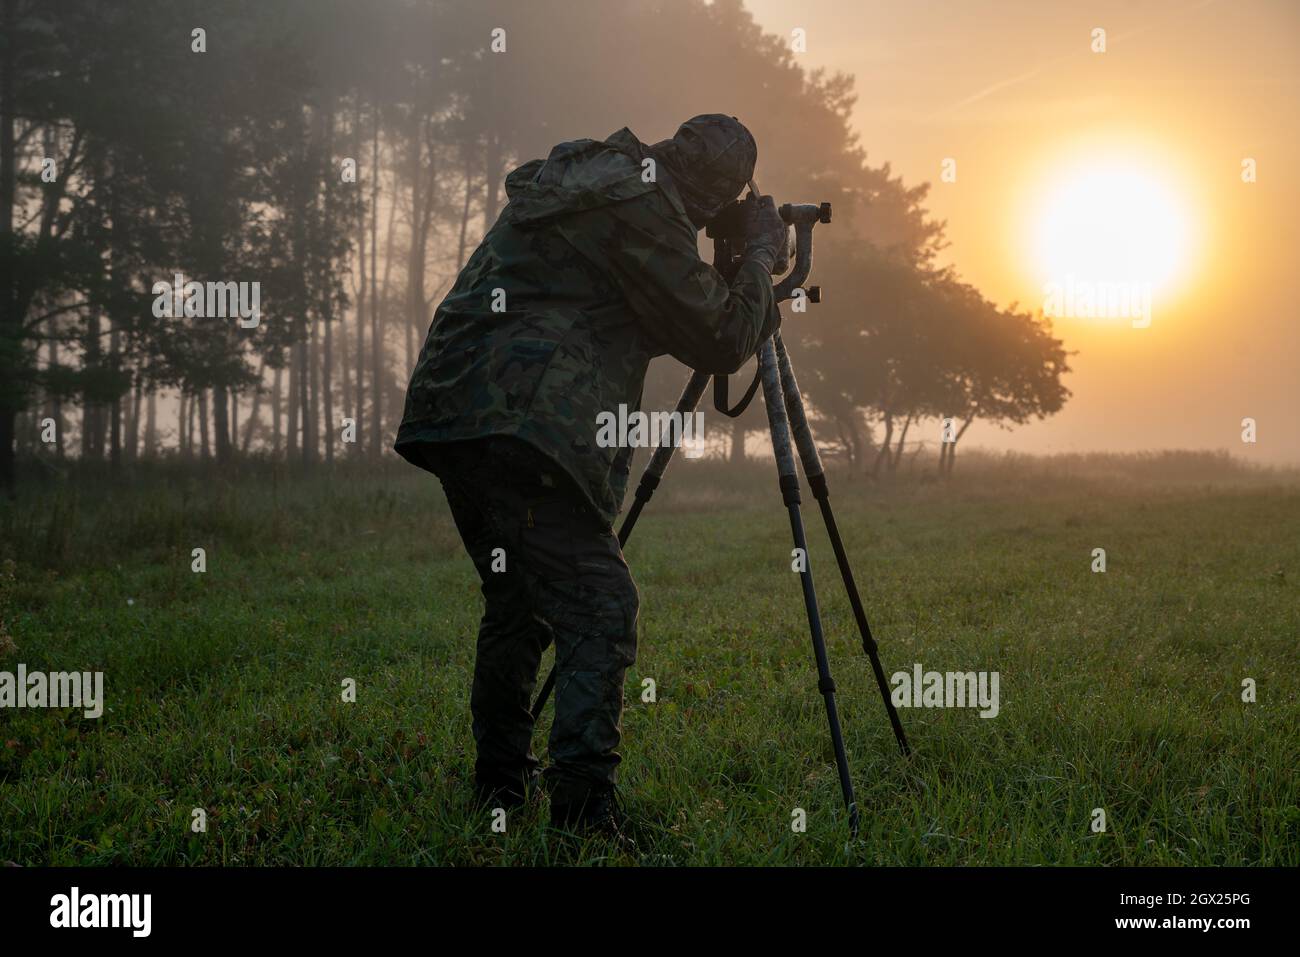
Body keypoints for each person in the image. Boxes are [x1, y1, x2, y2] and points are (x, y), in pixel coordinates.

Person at [394, 114, 787, 838]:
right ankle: (581, 819)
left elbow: (631, 308)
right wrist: (760, 259)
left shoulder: (594, 180)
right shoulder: (646, 209)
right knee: (601, 606)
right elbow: (723, 337)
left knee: (517, 603)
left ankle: (498, 792)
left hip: (454, 405)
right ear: (712, 192)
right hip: (521, 426)